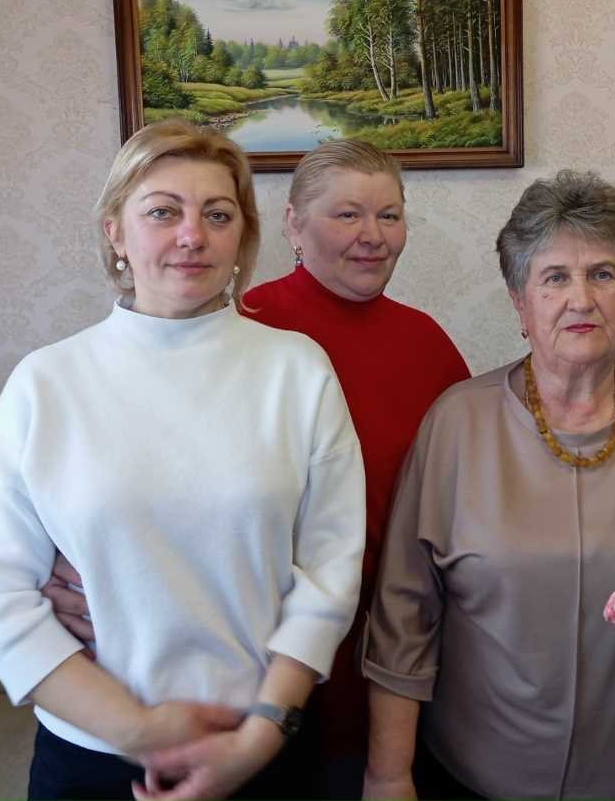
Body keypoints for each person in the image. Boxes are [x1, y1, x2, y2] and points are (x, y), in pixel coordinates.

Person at [44, 139, 470, 800]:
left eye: (389, 215)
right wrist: (80, 566)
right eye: (348, 214)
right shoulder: (238, 327)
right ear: (293, 226)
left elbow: (459, 506)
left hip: (397, 653)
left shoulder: (430, 344)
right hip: (273, 664)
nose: (373, 235)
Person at [0, 120, 365, 801]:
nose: (192, 235)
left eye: (217, 214)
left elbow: (331, 573)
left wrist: (260, 737)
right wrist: (137, 728)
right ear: (115, 231)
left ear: (243, 236)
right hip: (92, 757)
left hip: (263, 748)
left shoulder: (297, 370)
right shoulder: (45, 383)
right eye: (162, 212)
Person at [361, 170, 615, 801]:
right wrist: (388, 775)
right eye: (554, 277)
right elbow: (403, 616)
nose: (581, 299)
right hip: (475, 774)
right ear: (519, 302)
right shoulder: (457, 423)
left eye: (603, 274)